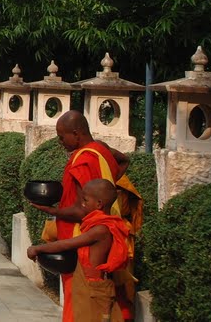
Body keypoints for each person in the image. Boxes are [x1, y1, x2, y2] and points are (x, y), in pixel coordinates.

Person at [30, 110, 135, 322]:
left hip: (80, 243)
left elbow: (80, 210)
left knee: (78, 302)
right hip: (108, 239)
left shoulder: (84, 159)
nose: (60, 142)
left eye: (62, 137)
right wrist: (107, 186)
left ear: (76, 134)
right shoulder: (101, 149)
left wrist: (53, 210)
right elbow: (123, 160)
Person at [28, 179, 130, 322]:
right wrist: (53, 211)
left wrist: (36, 248)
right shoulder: (95, 223)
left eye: (85, 200)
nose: (81, 204)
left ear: (99, 204)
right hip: (87, 285)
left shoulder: (100, 229)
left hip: (93, 288)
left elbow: (66, 244)